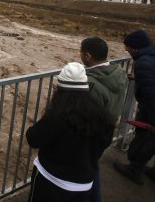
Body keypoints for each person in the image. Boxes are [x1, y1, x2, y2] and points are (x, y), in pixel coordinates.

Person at [26, 62, 114, 202]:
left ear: (60, 87)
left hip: (52, 181)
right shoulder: (102, 114)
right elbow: (105, 141)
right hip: (84, 183)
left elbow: (33, 139)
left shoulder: (57, 116)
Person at [80, 37, 128, 201]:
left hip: (90, 136)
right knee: (92, 166)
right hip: (107, 131)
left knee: (84, 171)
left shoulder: (91, 83)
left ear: (87, 56)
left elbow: (85, 115)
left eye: (80, 52)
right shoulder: (118, 73)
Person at [113, 29, 155, 185]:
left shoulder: (143, 63)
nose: (126, 50)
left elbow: (152, 96)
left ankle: (134, 170)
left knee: (144, 139)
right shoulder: (151, 56)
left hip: (150, 110)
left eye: (127, 47)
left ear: (135, 48)